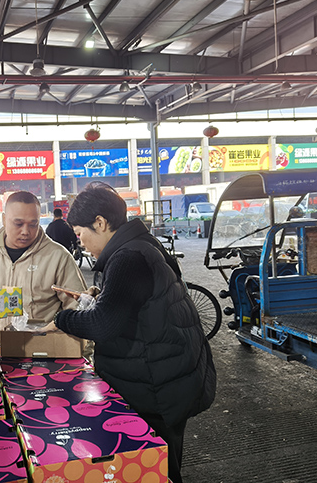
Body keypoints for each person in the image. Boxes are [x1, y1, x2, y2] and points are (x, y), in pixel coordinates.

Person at [42, 183, 216, 483]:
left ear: (100, 223)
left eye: (81, 233)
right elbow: (133, 305)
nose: (81, 242)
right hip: (170, 374)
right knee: (164, 460)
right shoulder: (141, 245)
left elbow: (104, 325)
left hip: (156, 385)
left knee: (158, 468)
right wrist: (98, 298)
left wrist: (62, 319)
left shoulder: (127, 258)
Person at [0, 191, 86, 341]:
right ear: (4, 220)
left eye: (33, 224)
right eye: (18, 224)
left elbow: (79, 311)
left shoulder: (58, 257)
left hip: (40, 352)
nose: (25, 232)